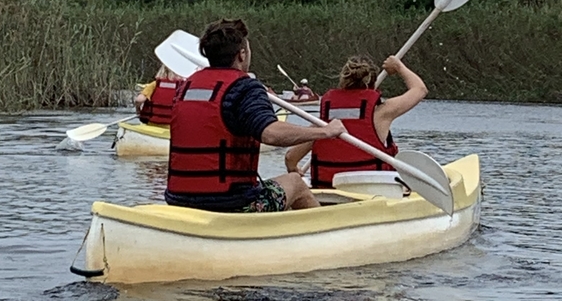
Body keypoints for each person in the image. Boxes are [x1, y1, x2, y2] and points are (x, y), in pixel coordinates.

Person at [165, 18, 346, 212]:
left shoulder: (185, 87)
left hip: (178, 199)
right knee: (295, 183)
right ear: (242, 54)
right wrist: (325, 132)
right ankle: (317, 237)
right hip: (231, 202)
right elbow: (271, 133)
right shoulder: (245, 87)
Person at [285, 54, 427, 188]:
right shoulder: (382, 113)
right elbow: (420, 89)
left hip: (329, 190)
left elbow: (291, 157)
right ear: (373, 82)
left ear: (343, 81)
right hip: (371, 191)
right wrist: (398, 67)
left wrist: (294, 170)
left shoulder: (324, 123)